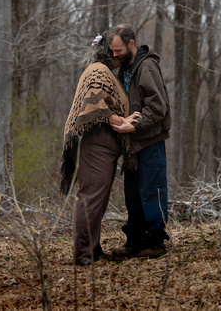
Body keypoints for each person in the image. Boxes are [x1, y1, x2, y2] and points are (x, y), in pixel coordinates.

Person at [60, 32, 140, 266]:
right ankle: (84, 252)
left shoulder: (99, 70)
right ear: (106, 53)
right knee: (91, 198)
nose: (118, 56)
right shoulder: (98, 70)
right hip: (94, 145)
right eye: (114, 52)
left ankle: (92, 248)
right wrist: (122, 121)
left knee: (97, 199)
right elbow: (93, 105)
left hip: (98, 146)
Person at [107, 24, 171, 258]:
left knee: (152, 191)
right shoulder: (125, 68)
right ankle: (135, 241)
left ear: (131, 44)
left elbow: (158, 107)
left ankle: (156, 242)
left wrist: (133, 125)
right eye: (111, 51)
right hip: (132, 143)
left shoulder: (147, 67)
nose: (114, 55)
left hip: (149, 141)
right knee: (133, 194)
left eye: (117, 50)